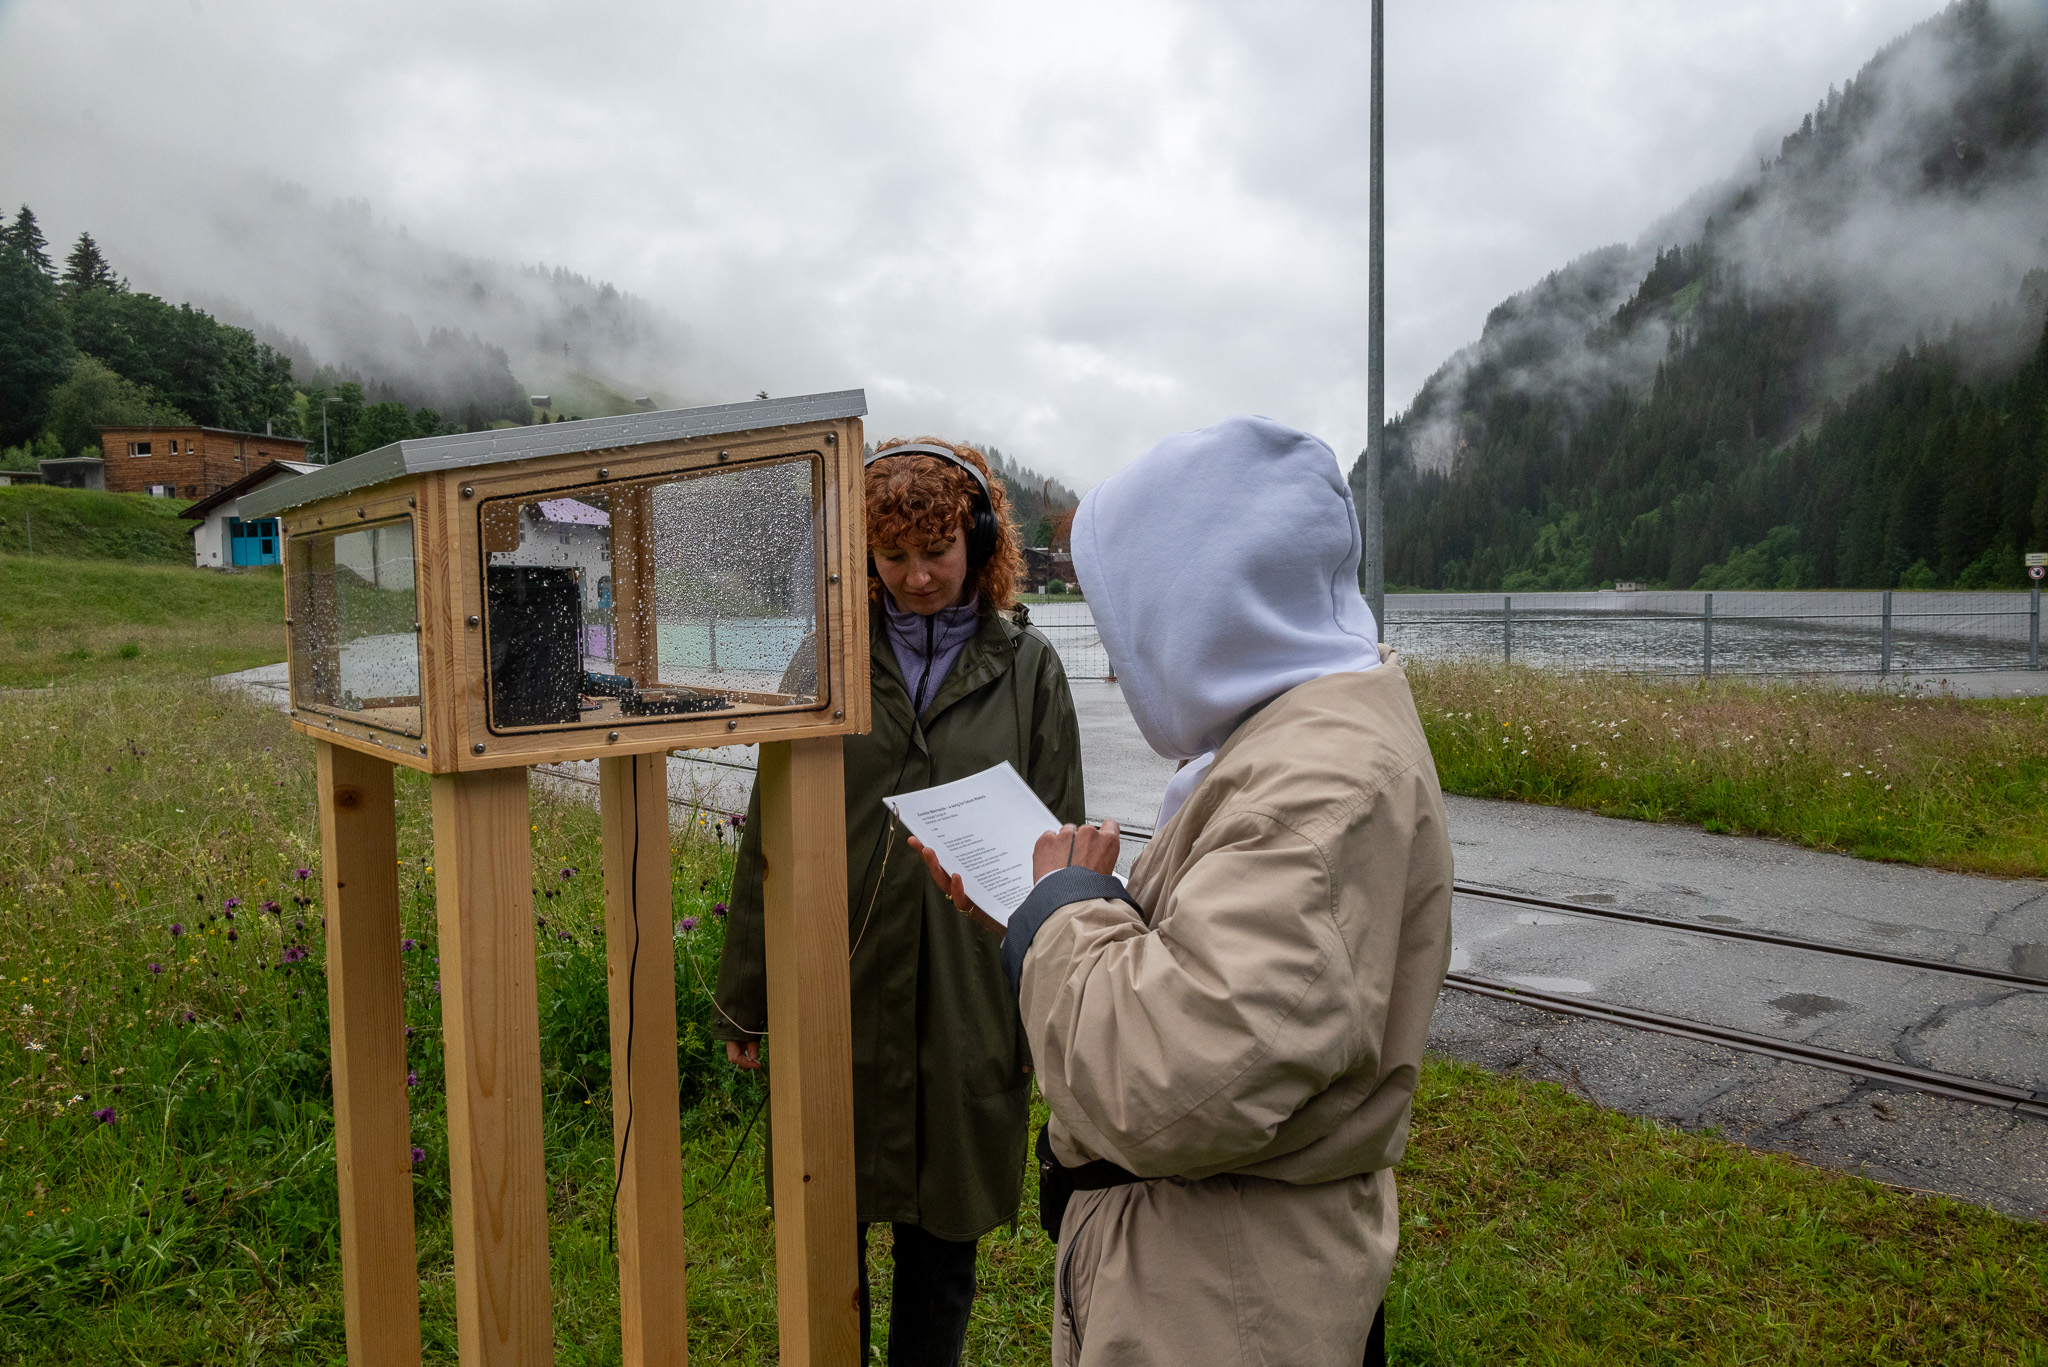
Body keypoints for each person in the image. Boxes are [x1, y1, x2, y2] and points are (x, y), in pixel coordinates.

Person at [913, 415, 1453, 1367]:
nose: (1120, 667)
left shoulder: (1314, 791)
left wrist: (1065, 915)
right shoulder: (1297, 740)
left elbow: (1161, 1077)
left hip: (1220, 1298)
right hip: (1221, 1265)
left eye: (1133, 625)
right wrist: (1067, 905)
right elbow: (1242, 989)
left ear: (1201, 606)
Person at [714, 437, 1086, 1367]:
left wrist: (1062, 1011)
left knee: (941, 1249)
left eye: (939, 550)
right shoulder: (823, 663)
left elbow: (1063, 854)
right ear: (861, 558)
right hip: (834, 988)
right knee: (825, 1219)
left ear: (983, 540)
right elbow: (770, 834)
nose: (918, 576)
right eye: (894, 557)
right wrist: (747, 998)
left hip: (967, 999)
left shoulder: (1032, 671)